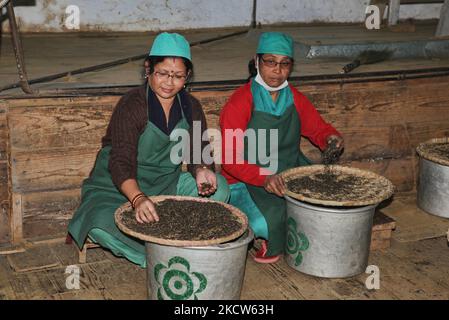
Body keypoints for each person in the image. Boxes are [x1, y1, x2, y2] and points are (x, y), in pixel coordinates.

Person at [68, 32, 230, 268]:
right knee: (98, 223)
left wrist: (202, 170)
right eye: (162, 73)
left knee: (220, 190)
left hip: (166, 184)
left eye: (178, 76)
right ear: (148, 69)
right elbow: (120, 163)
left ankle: (171, 238)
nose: (169, 82)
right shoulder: (132, 105)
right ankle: (161, 257)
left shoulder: (190, 106)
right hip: (118, 188)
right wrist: (138, 198)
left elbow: (199, 151)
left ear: (187, 77)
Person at [219, 32, 343, 264]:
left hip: (289, 170)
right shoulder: (240, 102)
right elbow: (229, 158)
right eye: (270, 62)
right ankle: (268, 239)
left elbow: (318, 128)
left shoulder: (294, 98)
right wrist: (263, 177)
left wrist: (330, 138)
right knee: (269, 220)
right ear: (257, 62)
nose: (277, 70)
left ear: (291, 67)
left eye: (284, 64)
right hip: (247, 178)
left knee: (319, 203)